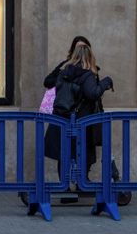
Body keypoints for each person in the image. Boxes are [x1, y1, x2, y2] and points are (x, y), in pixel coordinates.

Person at [47, 44, 113, 187]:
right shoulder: (87, 74)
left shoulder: (64, 72)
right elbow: (92, 93)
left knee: (64, 154)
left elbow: (48, 82)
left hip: (61, 118)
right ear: (89, 57)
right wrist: (105, 82)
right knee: (83, 152)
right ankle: (81, 184)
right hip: (79, 120)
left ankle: (64, 187)